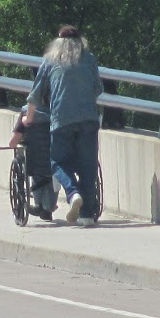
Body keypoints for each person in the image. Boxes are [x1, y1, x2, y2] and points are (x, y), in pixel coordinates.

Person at [25, 24, 102, 226]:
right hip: (89, 119)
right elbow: (97, 88)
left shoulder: (51, 60)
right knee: (88, 166)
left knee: (57, 162)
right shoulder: (89, 58)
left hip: (62, 120)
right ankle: (87, 216)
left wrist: (29, 118)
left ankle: (73, 192)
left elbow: (36, 93)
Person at [6, 102, 57, 221]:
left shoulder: (27, 112)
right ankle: (48, 207)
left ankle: (40, 206)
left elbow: (14, 142)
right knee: (52, 174)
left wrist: (12, 144)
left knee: (37, 171)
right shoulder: (59, 111)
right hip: (55, 157)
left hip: (35, 158)